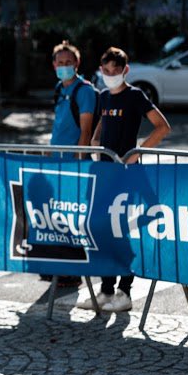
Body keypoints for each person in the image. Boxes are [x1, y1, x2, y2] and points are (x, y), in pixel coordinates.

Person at [77, 47, 171, 313]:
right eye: (105, 71)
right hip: (105, 173)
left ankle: (124, 291)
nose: (109, 76)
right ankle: (106, 290)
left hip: (128, 175)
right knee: (103, 230)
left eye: (115, 71)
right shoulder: (104, 96)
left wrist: (137, 151)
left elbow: (162, 126)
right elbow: (100, 126)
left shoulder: (135, 95)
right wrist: (96, 142)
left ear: (125, 70)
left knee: (123, 232)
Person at [46, 40, 98, 288]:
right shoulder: (59, 88)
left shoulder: (84, 90)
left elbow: (85, 131)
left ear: (77, 64)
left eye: (69, 62)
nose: (64, 66)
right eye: (60, 62)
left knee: (73, 215)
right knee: (58, 215)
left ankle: (74, 269)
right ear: (54, 65)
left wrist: (78, 163)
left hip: (74, 164)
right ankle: (61, 266)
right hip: (57, 161)